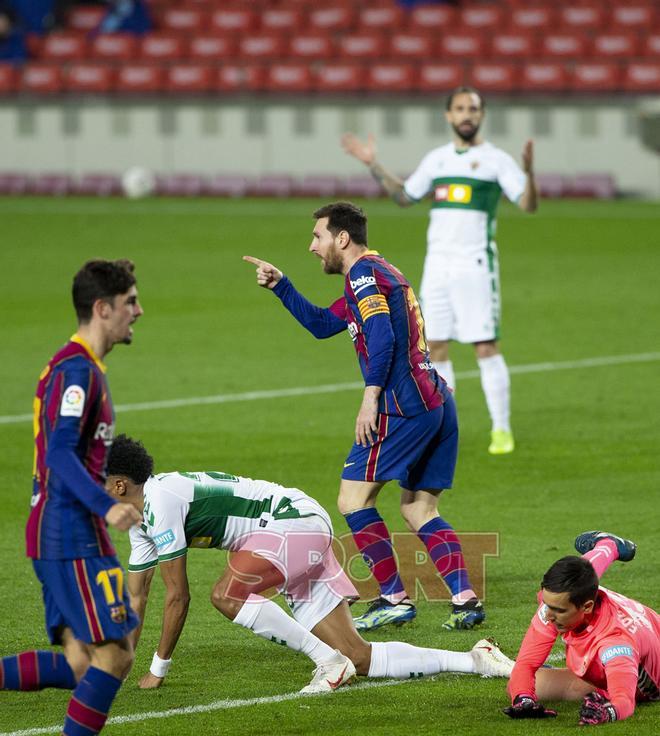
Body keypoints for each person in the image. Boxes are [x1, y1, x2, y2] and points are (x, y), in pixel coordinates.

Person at [104, 433, 515, 694]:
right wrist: (123, 663)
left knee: (226, 594)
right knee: (358, 656)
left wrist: (158, 669)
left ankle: (327, 663)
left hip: (293, 523)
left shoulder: (162, 500)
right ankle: (475, 658)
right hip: (282, 536)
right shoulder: (140, 525)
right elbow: (138, 598)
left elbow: (178, 596)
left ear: (120, 485)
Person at [243, 201, 485, 632]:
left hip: (402, 404)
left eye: (318, 237)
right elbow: (322, 324)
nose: (312, 246)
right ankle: (465, 600)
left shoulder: (363, 276)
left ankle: (393, 597)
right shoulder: (378, 273)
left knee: (353, 500)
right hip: (437, 400)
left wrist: (370, 397)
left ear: (342, 238)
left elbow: (382, 337)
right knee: (418, 508)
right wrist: (282, 286)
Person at [341, 86, 538, 455]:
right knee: (436, 347)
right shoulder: (437, 160)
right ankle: (447, 427)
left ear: (481, 115)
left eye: (473, 109)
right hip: (438, 267)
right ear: (448, 115)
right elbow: (404, 196)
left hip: (475, 266)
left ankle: (501, 429)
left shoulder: (496, 160)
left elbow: (527, 204)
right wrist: (372, 163)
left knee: (485, 346)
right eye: (460, 108)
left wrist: (529, 174)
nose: (467, 115)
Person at [0, 259, 144, 736]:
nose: (138, 312)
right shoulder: (76, 372)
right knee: (115, 656)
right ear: (102, 308)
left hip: (70, 531)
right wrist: (108, 505)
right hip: (70, 532)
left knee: (82, 661)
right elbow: (60, 452)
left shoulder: (80, 368)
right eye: (130, 302)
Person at [504, 531, 659, 725]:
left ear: (587, 607)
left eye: (557, 610)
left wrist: (607, 712)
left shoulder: (616, 642)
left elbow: (624, 701)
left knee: (558, 684)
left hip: (637, 675)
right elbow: (526, 663)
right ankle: (608, 545)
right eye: (546, 604)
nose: (548, 615)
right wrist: (523, 698)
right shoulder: (557, 604)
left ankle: (607, 545)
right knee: (517, 685)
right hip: (638, 633)